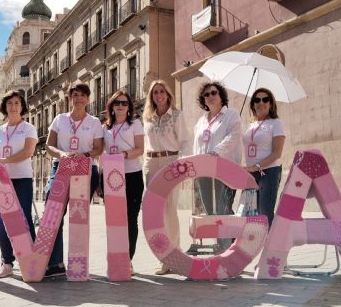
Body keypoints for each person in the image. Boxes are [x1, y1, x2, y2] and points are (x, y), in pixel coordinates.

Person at [44, 83, 103, 277]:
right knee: (53, 213)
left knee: (78, 216)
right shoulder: (60, 119)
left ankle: (78, 264)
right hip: (60, 167)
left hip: (85, 168)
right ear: (70, 98)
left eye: (82, 95)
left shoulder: (94, 122)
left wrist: (84, 155)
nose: (79, 98)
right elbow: (49, 145)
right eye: (75, 95)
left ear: (88, 98)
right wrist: (62, 154)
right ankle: (55, 263)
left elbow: (98, 148)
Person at [0, 90, 38, 279]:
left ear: (22, 106)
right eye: (9, 103)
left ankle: (32, 261)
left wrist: (4, 161)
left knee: (23, 218)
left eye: (16, 103)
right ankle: (6, 263)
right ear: (5, 107)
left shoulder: (29, 128)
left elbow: (28, 152)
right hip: (0, 181)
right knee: (4, 220)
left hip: (22, 178)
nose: (13, 106)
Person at [142, 80, 191, 275]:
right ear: (151, 96)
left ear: (168, 94)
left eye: (162, 91)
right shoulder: (147, 118)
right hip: (151, 164)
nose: (159, 95)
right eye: (155, 92)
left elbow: (186, 141)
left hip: (171, 162)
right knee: (156, 212)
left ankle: (174, 254)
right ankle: (163, 256)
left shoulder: (177, 116)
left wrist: (182, 163)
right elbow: (146, 143)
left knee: (170, 210)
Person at [193, 82, 242, 252]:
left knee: (223, 209)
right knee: (211, 212)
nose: (210, 96)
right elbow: (196, 145)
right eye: (206, 95)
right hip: (204, 171)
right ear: (203, 100)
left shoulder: (231, 115)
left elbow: (234, 136)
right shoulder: (201, 121)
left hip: (224, 169)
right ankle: (222, 247)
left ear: (221, 96)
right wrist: (196, 164)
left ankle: (231, 249)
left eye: (214, 92)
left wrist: (216, 152)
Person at [102, 91, 145, 274]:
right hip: (111, 178)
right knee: (114, 221)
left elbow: (140, 149)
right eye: (117, 103)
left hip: (132, 175)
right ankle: (115, 258)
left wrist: (124, 155)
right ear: (111, 106)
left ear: (129, 107)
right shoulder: (105, 128)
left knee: (130, 219)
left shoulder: (135, 124)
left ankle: (128, 260)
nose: (120, 106)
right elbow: (101, 154)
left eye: (124, 103)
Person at [242, 88, 285, 228]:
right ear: (253, 104)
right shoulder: (250, 126)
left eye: (265, 99)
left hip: (268, 172)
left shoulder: (276, 123)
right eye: (257, 100)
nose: (261, 102)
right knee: (248, 213)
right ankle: (252, 247)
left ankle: (271, 247)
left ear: (271, 103)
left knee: (264, 213)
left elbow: (277, 153)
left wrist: (258, 166)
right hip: (250, 173)